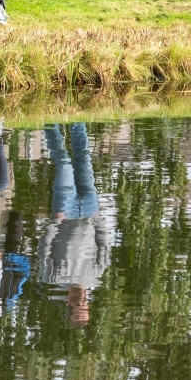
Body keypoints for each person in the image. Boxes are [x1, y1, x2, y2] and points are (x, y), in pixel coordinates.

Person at [38, 124, 110, 328]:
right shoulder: (96, 276)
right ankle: (78, 121)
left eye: (76, 306)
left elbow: (44, 248)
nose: (80, 302)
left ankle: (50, 122)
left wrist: (55, 222)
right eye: (83, 306)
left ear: (68, 304)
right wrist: (98, 218)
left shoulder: (52, 277)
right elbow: (103, 245)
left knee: (64, 164)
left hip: (64, 214)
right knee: (83, 158)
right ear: (87, 305)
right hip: (89, 211)